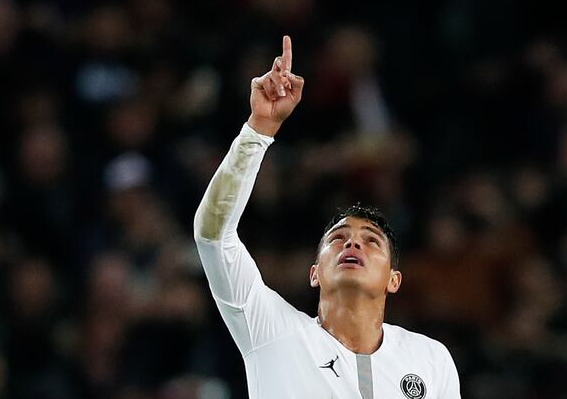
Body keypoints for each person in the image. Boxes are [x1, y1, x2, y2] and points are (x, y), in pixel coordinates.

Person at [193, 36, 460, 399]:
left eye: (371, 240)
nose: (352, 242)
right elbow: (213, 235)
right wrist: (258, 130)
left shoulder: (431, 359)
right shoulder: (271, 331)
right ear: (314, 272)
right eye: (338, 239)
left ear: (393, 280)